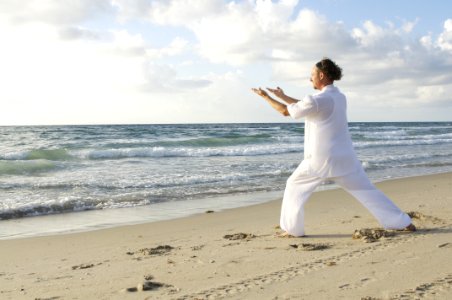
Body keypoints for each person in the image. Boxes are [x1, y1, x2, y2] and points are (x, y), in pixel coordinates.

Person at [252, 57, 416, 237]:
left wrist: (266, 97)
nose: (310, 79)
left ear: (321, 75)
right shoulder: (338, 97)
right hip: (346, 158)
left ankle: (292, 230)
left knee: (294, 185)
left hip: (321, 160)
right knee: (367, 191)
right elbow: (308, 105)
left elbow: (286, 111)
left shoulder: (317, 100)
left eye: (312, 75)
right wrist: (282, 95)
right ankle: (402, 222)